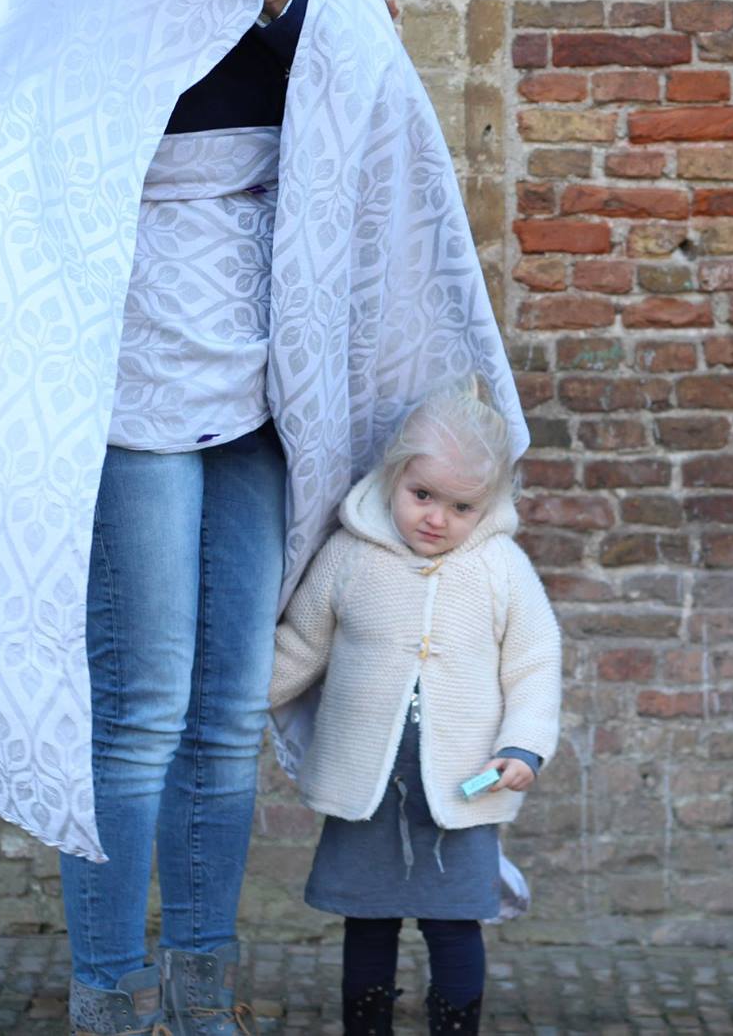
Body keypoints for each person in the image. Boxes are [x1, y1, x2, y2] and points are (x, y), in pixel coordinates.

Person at [65, 0, 329, 1036]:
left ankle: (204, 996)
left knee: (226, 710)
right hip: (135, 337)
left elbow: (341, 89)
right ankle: (111, 998)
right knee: (140, 707)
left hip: (256, 337)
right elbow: (52, 96)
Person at [269, 384, 564, 1036]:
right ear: (393, 475)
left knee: (454, 924)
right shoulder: (350, 555)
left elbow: (534, 662)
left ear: (489, 502)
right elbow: (302, 644)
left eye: (461, 506)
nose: (436, 518)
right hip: (366, 788)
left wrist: (524, 745)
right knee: (367, 923)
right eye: (422, 494)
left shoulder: (500, 566)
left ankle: (455, 1027)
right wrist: (235, 702)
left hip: (461, 788)